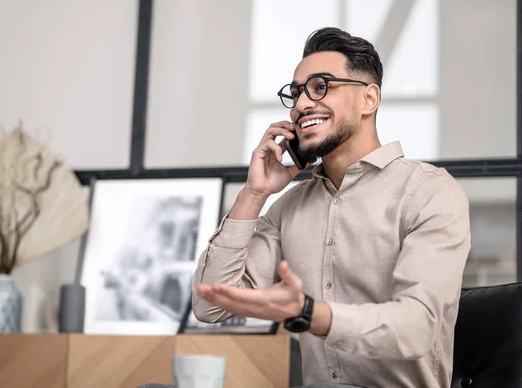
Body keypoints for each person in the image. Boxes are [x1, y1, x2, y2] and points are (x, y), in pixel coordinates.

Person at [191, 27, 471, 388]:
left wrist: (308, 313)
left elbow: (416, 327)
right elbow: (210, 306)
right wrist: (255, 193)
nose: (302, 104)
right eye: (295, 93)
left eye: (320, 86)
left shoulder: (428, 192)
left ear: (368, 99)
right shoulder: (288, 207)